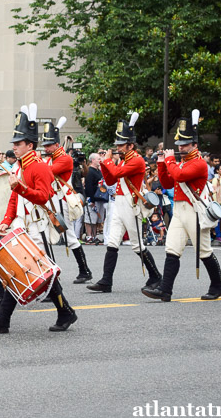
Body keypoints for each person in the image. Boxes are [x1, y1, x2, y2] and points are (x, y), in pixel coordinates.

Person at [0, 104, 77, 334]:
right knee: (23, 271)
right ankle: (64, 312)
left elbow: (43, 197)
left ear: (29, 145)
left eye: (18, 143)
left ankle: (3, 319)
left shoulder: (40, 168)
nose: (14, 147)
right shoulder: (20, 166)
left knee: (28, 271)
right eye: (14, 143)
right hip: (22, 226)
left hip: (37, 227)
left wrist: (21, 188)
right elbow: (14, 199)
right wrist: (6, 219)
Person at [142, 109, 221, 302]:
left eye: (185, 144)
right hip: (179, 208)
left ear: (195, 145)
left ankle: (217, 285)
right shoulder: (181, 162)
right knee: (172, 249)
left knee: (204, 251)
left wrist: (170, 160)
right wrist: (163, 164)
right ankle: (166, 290)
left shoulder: (198, 163)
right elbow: (167, 184)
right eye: (179, 144)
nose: (181, 147)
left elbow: (180, 176)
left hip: (193, 210)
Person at [87, 113, 162, 293]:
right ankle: (106, 280)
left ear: (130, 145)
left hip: (130, 203)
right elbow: (111, 180)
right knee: (112, 241)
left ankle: (155, 276)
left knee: (137, 244)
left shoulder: (136, 160)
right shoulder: (124, 159)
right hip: (118, 202)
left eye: (121, 145)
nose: (118, 147)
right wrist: (106, 164)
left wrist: (107, 161)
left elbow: (118, 175)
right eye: (118, 144)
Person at [41, 116, 93, 284]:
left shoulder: (64, 159)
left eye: (49, 145)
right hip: (53, 200)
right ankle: (83, 270)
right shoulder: (53, 157)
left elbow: (47, 173)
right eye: (45, 145)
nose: (46, 148)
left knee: (69, 236)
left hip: (62, 201)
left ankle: (84, 270)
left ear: (57, 145)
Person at [84, 152, 106, 244]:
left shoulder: (98, 171)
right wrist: (91, 199)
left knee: (97, 219)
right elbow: (88, 186)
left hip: (99, 197)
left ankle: (94, 235)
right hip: (92, 197)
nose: (99, 160)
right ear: (92, 160)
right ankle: (89, 236)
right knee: (90, 218)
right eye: (98, 159)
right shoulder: (89, 171)